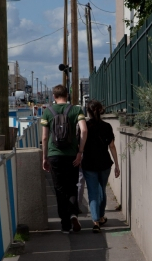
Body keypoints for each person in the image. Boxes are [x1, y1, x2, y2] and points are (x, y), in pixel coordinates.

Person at [41, 85, 87, 234]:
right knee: (72, 186)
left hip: (54, 155)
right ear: (67, 95)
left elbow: (44, 137)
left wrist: (45, 157)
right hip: (71, 155)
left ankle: (65, 225)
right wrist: (80, 151)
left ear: (54, 97)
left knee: (59, 190)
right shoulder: (76, 110)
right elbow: (84, 130)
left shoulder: (48, 112)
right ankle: (73, 214)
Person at [82, 100, 120, 233]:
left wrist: (79, 154)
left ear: (88, 111)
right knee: (101, 190)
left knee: (92, 192)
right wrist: (117, 164)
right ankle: (102, 216)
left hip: (88, 164)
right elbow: (112, 146)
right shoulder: (107, 126)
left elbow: (79, 144)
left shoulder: (84, 126)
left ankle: (96, 221)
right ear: (101, 110)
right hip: (104, 163)